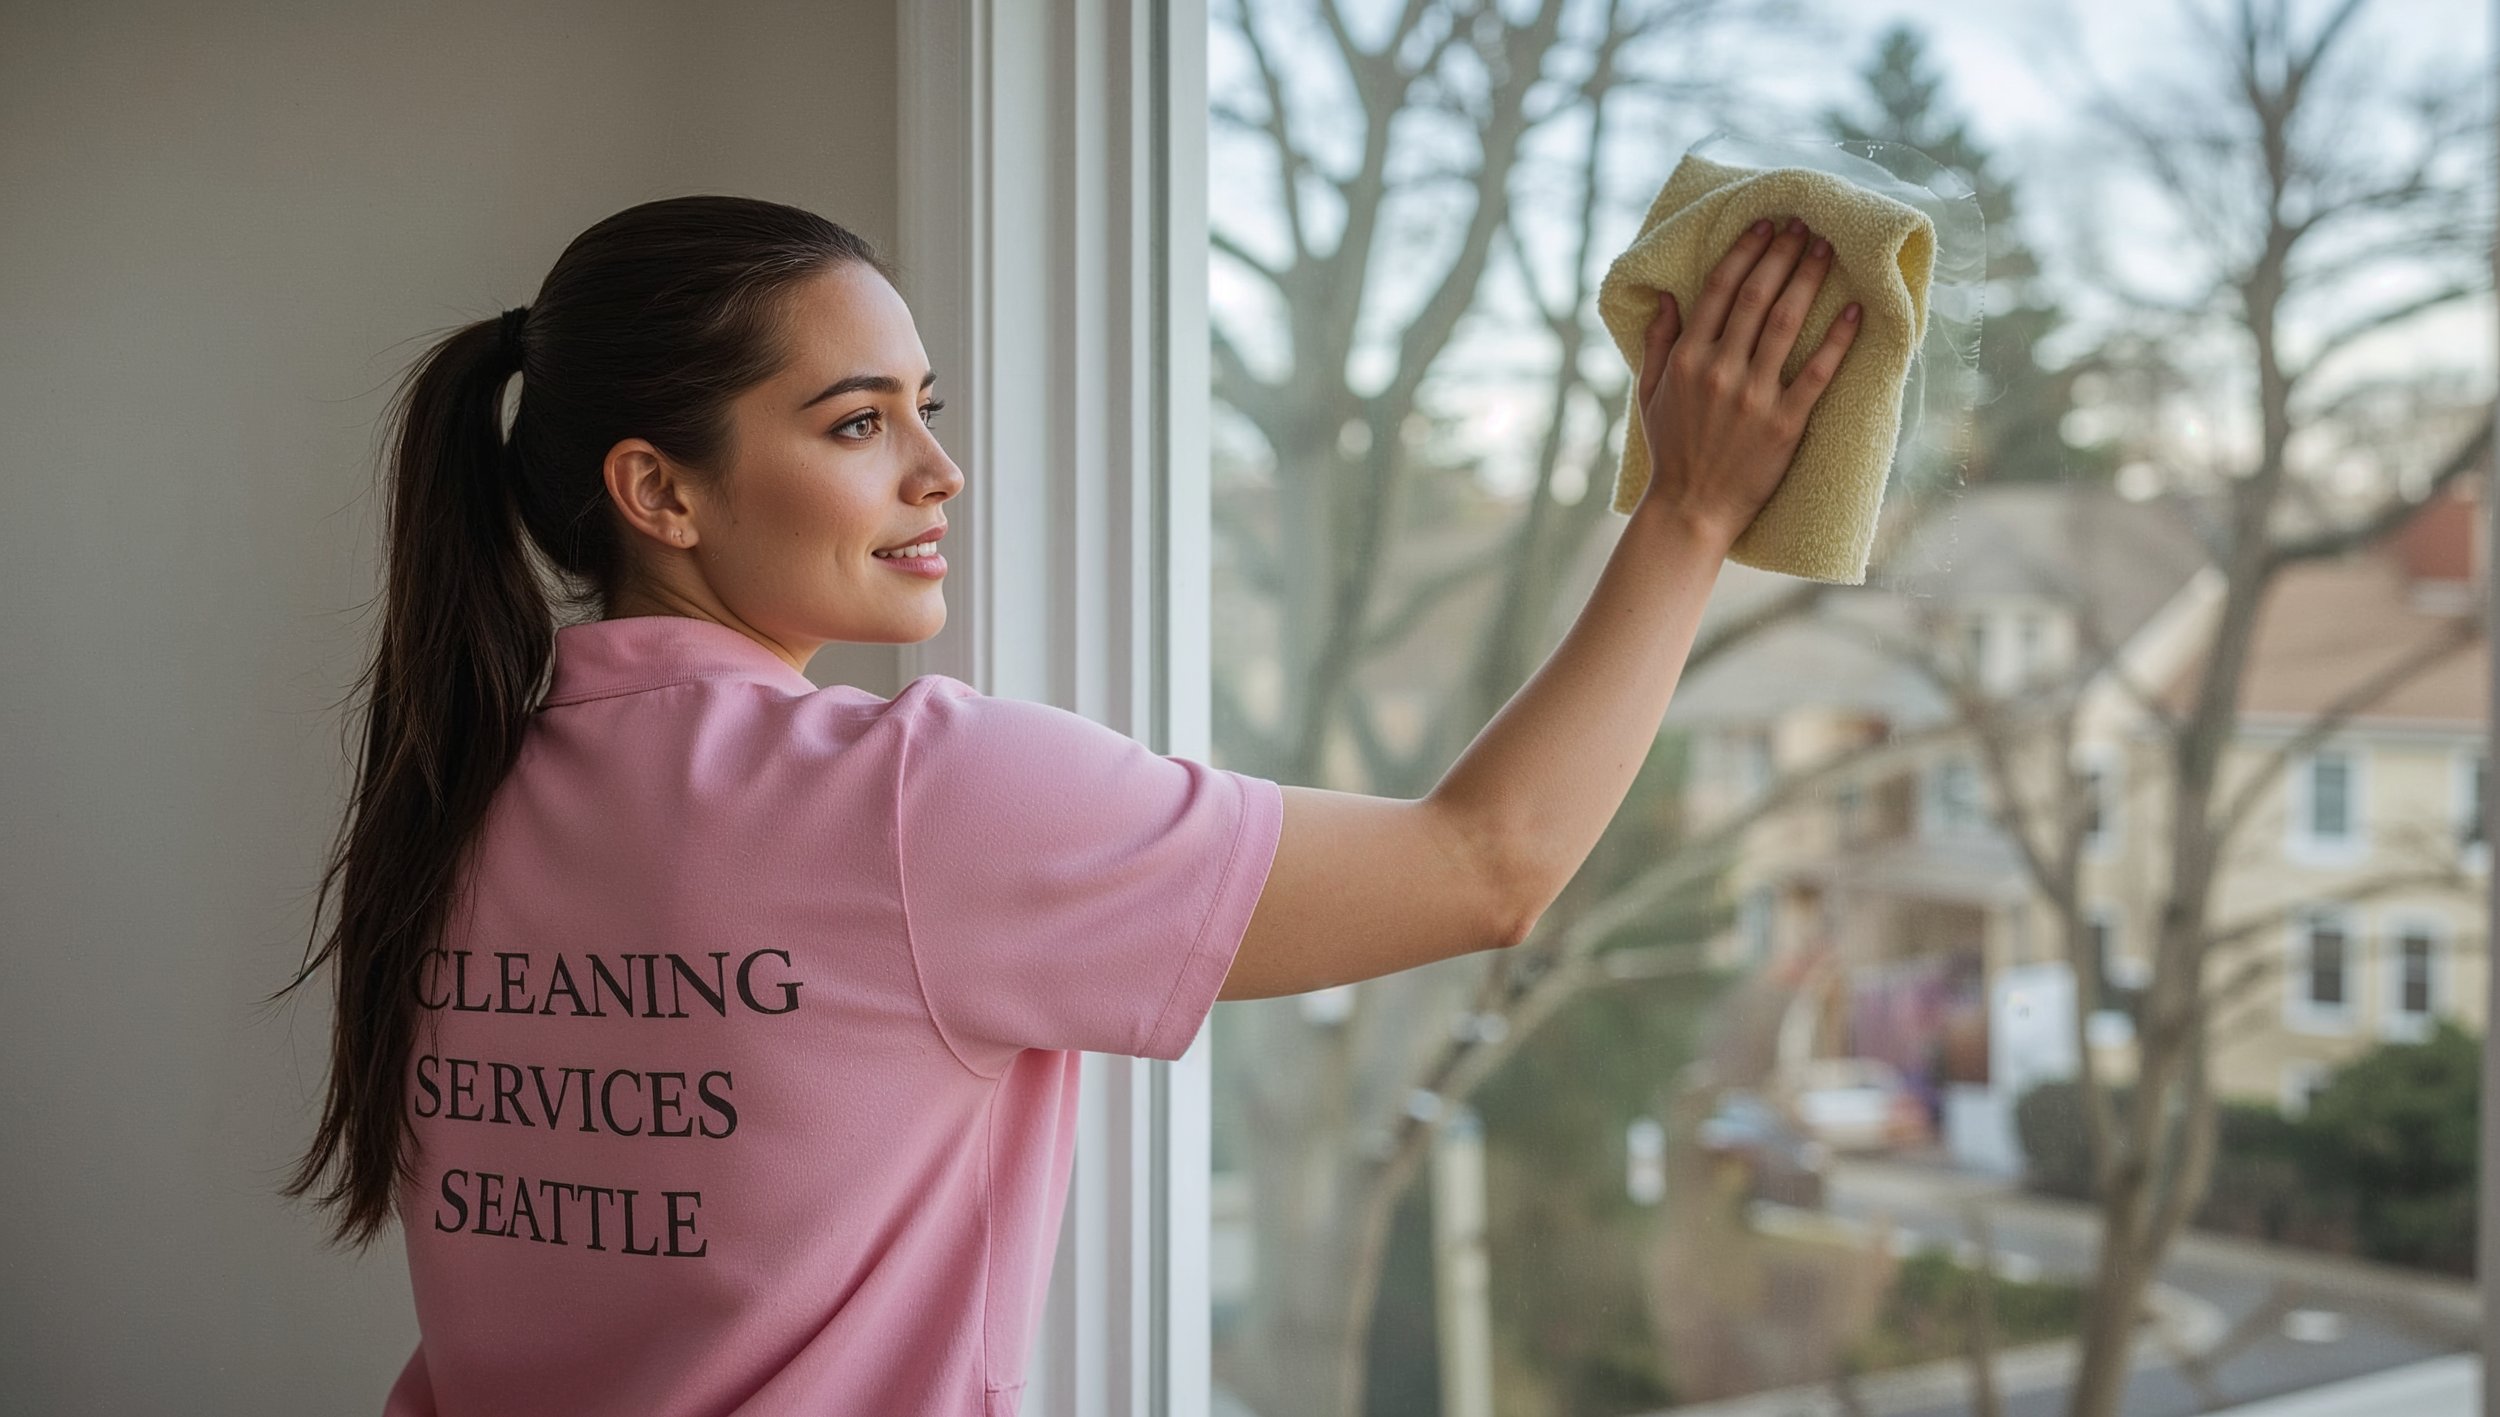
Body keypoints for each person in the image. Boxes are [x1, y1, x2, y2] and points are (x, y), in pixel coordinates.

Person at [268, 195, 1856, 1415]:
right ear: (658, 491)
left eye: (926, 404)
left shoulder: (455, 790)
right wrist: (1691, 512)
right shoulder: (910, 799)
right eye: (857, 422)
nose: (937, 468)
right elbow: (1486, 864)